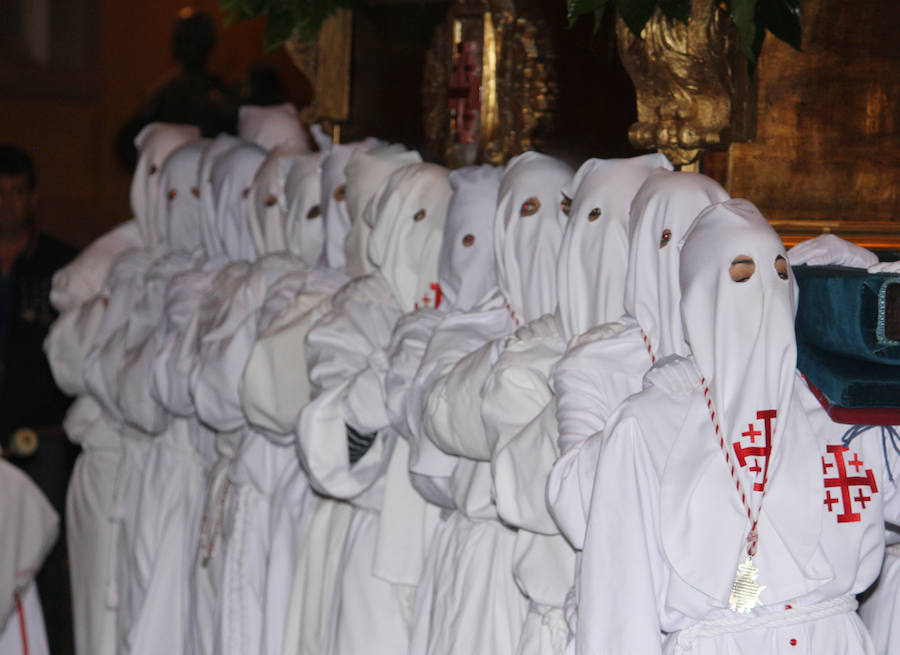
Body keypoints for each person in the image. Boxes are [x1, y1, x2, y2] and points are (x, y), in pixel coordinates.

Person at [0, 144, 77, 654]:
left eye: (16, 192)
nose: (6, 203)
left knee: (41, 563)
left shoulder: (62, 265)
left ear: (34, 198)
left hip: (40, 440)